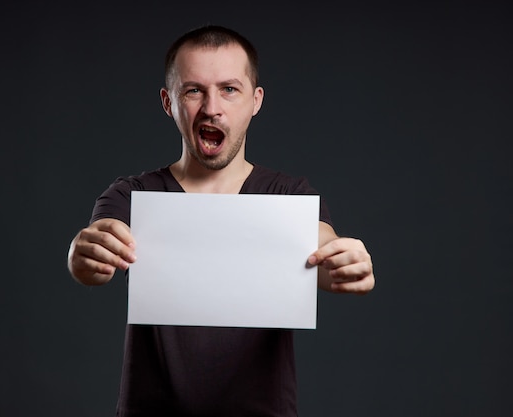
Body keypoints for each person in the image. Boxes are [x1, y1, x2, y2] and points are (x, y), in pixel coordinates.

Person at [67, 25, 375, 417]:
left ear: (255, 101)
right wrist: (82, 252)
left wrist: (350, 265)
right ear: (168, 102)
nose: (212, 107)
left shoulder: (289, 195)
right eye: (193, 90)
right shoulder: (131, 195)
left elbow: (325, 254)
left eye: (229, 89)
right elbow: (95, 256)